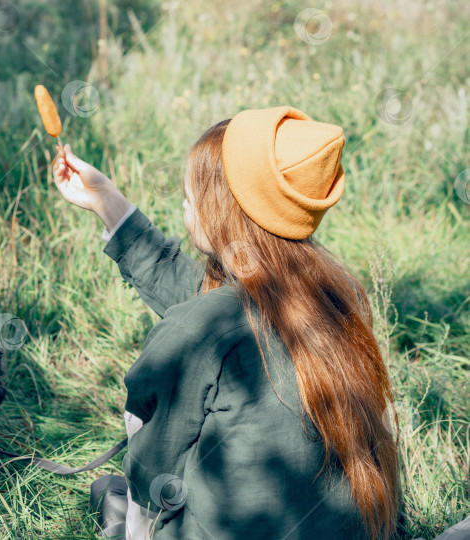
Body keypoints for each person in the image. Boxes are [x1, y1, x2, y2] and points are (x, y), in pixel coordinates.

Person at [51, 106, 402, 540]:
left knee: (117, 492)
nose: (184, 205)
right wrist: (107, 201)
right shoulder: (331, 296)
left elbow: (151, 467)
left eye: (191, 195)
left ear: (223, 210)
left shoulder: (206, 324)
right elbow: (204, 298)